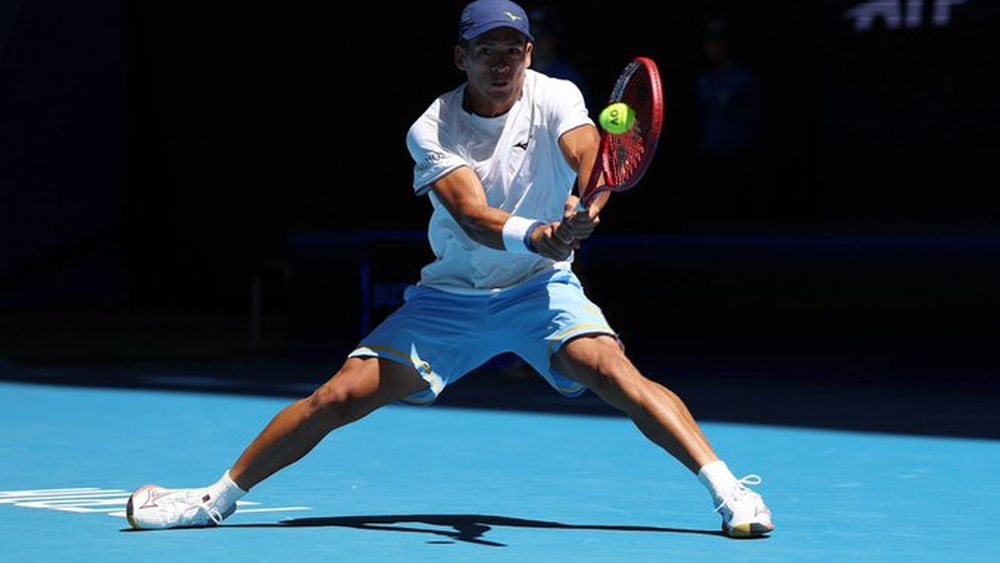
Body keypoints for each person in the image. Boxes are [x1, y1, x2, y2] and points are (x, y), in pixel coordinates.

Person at [126, 0, 774, 538]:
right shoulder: (431, 127)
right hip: (452, 300)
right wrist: (541, 231)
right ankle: (211, 499)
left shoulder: (556, 95)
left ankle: (729, 494)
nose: (502, 61)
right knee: (337, 396)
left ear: (530, 54)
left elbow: (587, 151)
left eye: (514, 48)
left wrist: (584, 201)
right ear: (459, 57)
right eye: (486, 49)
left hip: (540, 290)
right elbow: (469, 213)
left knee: (614, 371)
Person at [691, 18, 767, 231]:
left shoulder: (744, 79)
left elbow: (755, 119)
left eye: (718, 42)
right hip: (709, 155)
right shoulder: (703, 81)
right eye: (709, 42)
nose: (712, 48)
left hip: (738, 156)